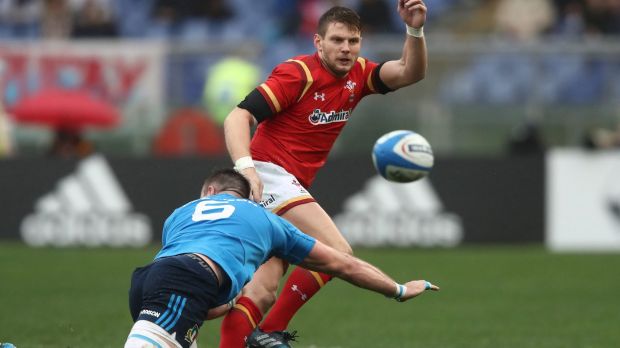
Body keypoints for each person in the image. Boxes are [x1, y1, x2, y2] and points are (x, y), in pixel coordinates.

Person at [221, 1, 428, 346]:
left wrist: (415, 29)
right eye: (337, 40)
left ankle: (257, 336)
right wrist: (248, 170)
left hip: (287, 184)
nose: (346, 49)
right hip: (267, 175)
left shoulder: (360, 74)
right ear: (318, 43)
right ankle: (270, 333)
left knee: (263, 291)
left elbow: (410, 72)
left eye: (353, 41)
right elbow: (237, 117)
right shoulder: (297, 74)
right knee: (336, 251)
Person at [124, 169, 439, 348]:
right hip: (187, 282)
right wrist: (397, 289)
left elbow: (193, 292)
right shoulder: (267, 221)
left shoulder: (181, 213)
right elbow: (343, 263)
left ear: (209, 190)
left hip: (149, 281)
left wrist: (232, 304)